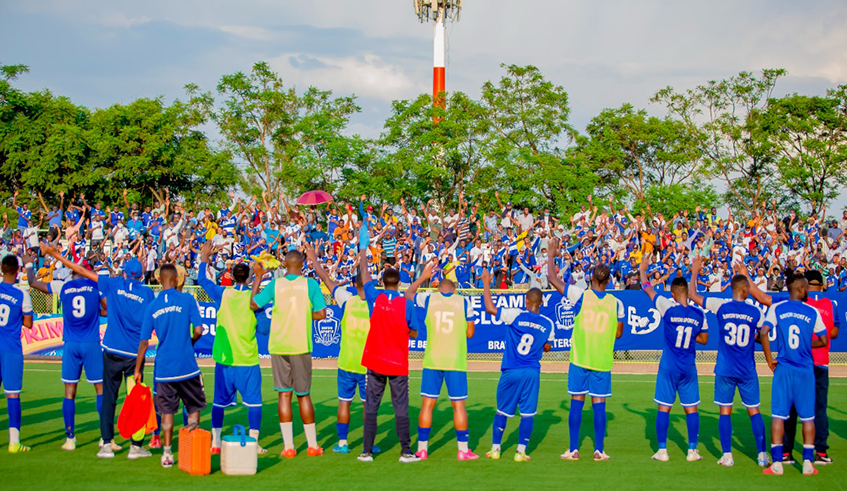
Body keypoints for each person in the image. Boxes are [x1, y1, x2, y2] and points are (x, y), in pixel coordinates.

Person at [42, 243, 156, 459]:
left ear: (124, 273)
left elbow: (83, 271)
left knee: (109, 398)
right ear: (141, 277)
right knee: (135, 399)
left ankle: (106, 444)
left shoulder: (114, 284)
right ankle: (135, 446)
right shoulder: (148, 294)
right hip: (134, 355)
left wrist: (54, 253)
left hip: (111, 349)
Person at [741, 267, 831, 475]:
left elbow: (764, 332)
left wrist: (769, 359)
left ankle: (778, 464)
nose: (808, 290)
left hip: (783, 369)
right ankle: (808, 464)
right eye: (806, 288)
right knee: (808, 417)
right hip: (806, 371)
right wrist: (805, 346)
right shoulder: (812, 311)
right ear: (800, 289)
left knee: (778, 416)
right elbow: (825, 340)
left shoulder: (777, 309)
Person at [24, 250, 109, 452]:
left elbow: (34, 283)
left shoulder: (64, 286)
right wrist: (96, 310)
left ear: (72, 273)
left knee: (69, 392)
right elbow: (108, 309)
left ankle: (70, 438)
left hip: (70, 343)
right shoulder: (95, 285)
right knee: (100, 390)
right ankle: (104, 437)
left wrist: (29, 265)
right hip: (91, 342)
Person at [686, 256, 768, 467]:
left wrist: (695, 271)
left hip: (724, 368)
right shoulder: (755, 311)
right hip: (747, 369)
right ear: (744, 290)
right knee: (754, 411)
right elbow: (761, 335)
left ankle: (727, 455)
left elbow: (693, 294)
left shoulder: (720, 305)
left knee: (725, 411)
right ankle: (761, 455)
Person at [547, 238, 624, 462]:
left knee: (576, 402)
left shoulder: (581, 295)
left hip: (580, 358)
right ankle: (599, 450)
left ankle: (573, 449)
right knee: (599, 404)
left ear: (591, 278)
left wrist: (552, 255)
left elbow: (552, 278)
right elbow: (619, 334)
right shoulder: (616, 303)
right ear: (609, 281)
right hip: (601, 361)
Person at [304, 244, 380, 455]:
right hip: (368, 363)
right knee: (368, 406)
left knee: (344, 403)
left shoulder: (347, 300)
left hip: (346, 362)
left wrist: (313, 258)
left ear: (355, 286)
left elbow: (326, 279)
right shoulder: (377, 305)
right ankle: (369, 443)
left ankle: (343, 443)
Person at [251, 250, 327, 458]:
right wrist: (303, 314)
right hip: (300, 344)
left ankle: (289, 447)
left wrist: (257, 278)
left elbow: (253, 304)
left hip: (278, 345)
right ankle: (312, 445)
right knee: (304, 395)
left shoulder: (275, 284)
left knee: (284, 395)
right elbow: (321, 313)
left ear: (284, 264)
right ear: (303, 265)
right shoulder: (310, 284)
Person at [196, 242, 265, 455]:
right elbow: (263, 328)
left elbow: (201, 281)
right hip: (247, 360)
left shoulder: (223, 293)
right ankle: (253, 443)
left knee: (219, 403)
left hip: (225, 360)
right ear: (249, 277)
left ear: (233, 277)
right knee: (254, 404)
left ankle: (215, 442)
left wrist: (204, 258)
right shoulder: (254, 300)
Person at [135, 264, 206, 468]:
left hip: (164, 368)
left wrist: (138, 368)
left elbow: (144, 341)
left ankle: (167, 453)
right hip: (187, 366)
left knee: (167, 412)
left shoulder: (152, 307)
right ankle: (192, 446)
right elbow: (199, 330)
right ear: (176, 280)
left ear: (159, 280)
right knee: (193, 407)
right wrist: (190, 341)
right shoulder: (187, 299)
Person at [405, 261, 478, 461]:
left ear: (438, 288)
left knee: (427, 405)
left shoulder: (430, 299)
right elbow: (470, 333)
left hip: (433, 359)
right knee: (459, 406)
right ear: (454, 290)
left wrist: (422, 277)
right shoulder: (464, 302)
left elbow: (408, 294)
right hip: (455, 360)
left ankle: (422, 449)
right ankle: (463, 450)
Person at [356, 240, 421, 464]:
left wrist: (363, 251)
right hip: (397, 362)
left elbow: (364, 274)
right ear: (400, 282)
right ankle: (405, 451)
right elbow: (414, 333)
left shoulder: (375, 297)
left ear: (382, 282)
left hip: (375, 361)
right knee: (401, 407)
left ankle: (367, 452)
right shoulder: (407, 304)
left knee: (372, 406)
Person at [481, 268, 554, 463]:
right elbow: (547, 348)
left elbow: (489, 307)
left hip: (511, 370)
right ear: (541, 303)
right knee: (528, 413)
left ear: (526, 301)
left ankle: (496, 449)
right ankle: (521, 452)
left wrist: (487, 283)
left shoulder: (515, 315)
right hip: (531, 372)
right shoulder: (548, 324)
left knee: (502, 411)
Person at [639, 254, 708, 463]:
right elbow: (704, 339)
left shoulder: (667, 307)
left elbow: (647, 288)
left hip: (668, 365)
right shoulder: (698, 314)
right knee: (691, 408)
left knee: (664, 407)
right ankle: (692, 451)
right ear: (687, 292)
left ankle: (662, 451)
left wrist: (643, 269)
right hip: (688, 366)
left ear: (672, 293)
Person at [0, 253, 34, 452]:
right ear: (17, 271)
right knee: (12, 395)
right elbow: (28, 324)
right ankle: (14, 442)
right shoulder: (22, 294)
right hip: (11, 349)